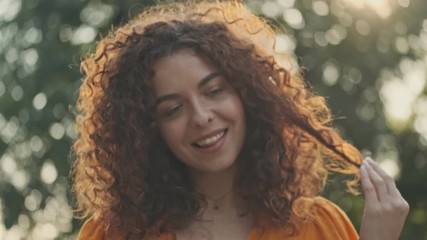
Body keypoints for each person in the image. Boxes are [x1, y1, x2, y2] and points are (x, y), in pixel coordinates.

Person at [71, 1, 409, 239]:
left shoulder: (319, 227)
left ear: (248, 95)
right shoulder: (111, 235)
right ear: (147, 130)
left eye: (214, 91)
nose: (202, 117)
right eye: (173, 109)